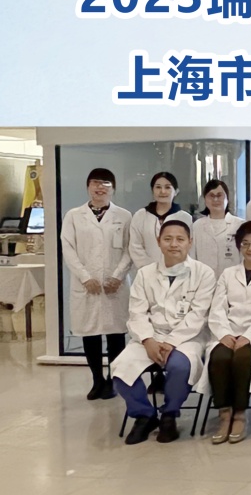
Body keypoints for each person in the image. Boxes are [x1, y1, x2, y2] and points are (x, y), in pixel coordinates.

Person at [111, 221, 216, 445]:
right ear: (158, 242)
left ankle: (169, 415)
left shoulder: (203, 273)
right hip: (150, 335)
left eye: (180, 239)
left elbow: (198, 315)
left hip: (187, 337)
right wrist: (148, 340)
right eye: (167, 239)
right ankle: (144, 415)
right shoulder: (145, 274)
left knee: (180, 366)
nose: (173, 244)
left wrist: (171, 342)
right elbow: (137, 312)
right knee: (121, 369)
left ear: (190, 242)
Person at [198, 221, 251, 444]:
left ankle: (239, 414)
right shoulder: (228, 274)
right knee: (219, 357)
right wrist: (224, 334)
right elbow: (217, 308)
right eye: (245, 243)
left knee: (243, 357)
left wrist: (249, 336)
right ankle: (224, 414)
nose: (250, 248)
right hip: (228, 332)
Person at [61, 168, 133, 401]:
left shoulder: (124, 216)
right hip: (87, 286)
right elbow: (68, 248)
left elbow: (129, 249)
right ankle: (97, 380)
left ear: (113, 188)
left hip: (114, 286)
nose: (100, 187)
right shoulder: (74, 216)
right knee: (89, 333)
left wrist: (117, 276)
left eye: (105, 183)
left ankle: (113, 380)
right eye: (95, 183)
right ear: (88, 187)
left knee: (115, 334)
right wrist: (85, 277)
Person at [129, 172, 193, 272]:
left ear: (176, 191)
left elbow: (188, 248)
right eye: (158, 187)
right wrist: (150, 269)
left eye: (167, 187)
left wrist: (175, 268)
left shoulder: (185, 218)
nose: (162, 191)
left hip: (178, 272)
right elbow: (135, 246)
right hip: (146, 272)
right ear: (152, 190)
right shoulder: (141, 215)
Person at [190, 179, 245, 278]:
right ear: (205, 199)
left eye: (219, 195)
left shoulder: (240, 225)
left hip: (233, 281)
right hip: (203, 282)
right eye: (211, 196)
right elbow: (192, 259)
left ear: (227, 198)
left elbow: (244, 258)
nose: (215, 199)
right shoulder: (197, 226)